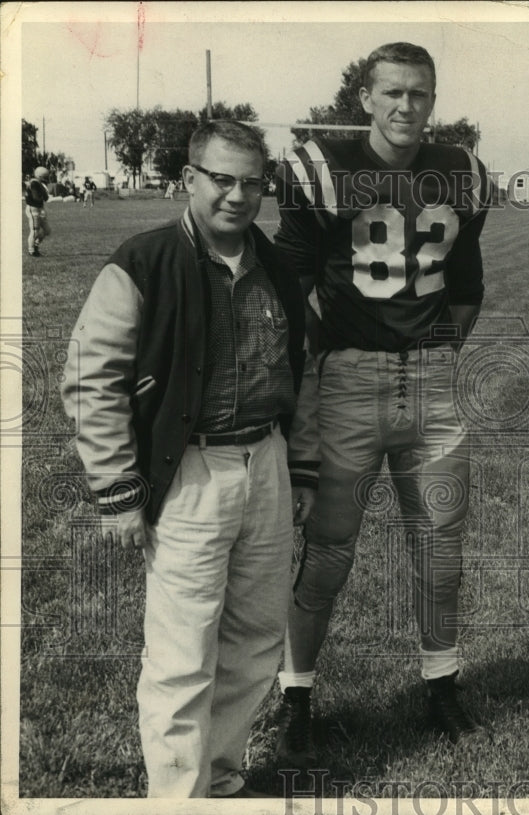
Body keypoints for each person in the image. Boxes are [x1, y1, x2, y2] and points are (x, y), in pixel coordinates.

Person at [61, 120, 318, 798]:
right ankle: (177, 795)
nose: (237, 194)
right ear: (189, 179)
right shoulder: (144, 261)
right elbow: (92, 377)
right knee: (182, 649)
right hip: (190, 472)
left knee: (257, 636)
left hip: (265, 460)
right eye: (221, 178)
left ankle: (223, 775)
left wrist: (303, 468)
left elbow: (304, 376)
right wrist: (116, 485)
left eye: (252, 182)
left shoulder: (280, 269)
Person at [273, 41, 493, 762]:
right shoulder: (321, 167)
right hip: (348, 382)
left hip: (431, 381)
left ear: (434, 98)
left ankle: (440, 683)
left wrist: (425, 351)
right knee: (330, 549)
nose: (406, 106)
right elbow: (292, 286)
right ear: (365, 97)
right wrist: (347, 353)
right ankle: (295, 692)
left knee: (440, 547)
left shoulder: (459, 172)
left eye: (420, 94)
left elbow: (466, 290)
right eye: (392, 93)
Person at [25, 166, 51, 256]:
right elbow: (36, 198)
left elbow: (46, 198)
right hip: (33, 208)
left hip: (40, 208)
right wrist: (43, 194)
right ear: (40, 176)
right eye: (45, 176)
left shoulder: (39, 183)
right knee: (35, 230)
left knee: (47, 230)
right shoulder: (34, 183)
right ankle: (31, 250)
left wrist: (44, 190)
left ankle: (36, 244)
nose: (47, 179)